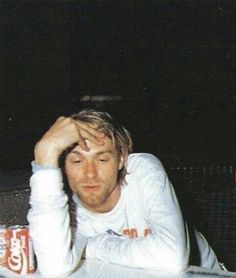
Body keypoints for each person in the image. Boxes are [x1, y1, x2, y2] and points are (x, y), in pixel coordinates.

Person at [28, 109, 222, 277]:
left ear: (121, 159)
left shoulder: (142, 170)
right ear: (62, 167)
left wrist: (94, 245)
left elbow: (173, 257)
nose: (90, 174)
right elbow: (54, 268)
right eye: (77, 162)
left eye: (102, 160)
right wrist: (45, 155)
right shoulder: (64, 208)